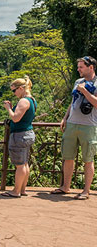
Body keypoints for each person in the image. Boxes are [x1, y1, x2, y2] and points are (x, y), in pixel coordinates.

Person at [51, 56, 97, 199]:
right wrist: (65, 118)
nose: (78, 69)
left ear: (91, 67)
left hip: (89, 126)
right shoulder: (78, 82)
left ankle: (86, 191)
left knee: (88, 159)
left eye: (81, 67)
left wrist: (85, 91)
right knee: (68, 157)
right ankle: (66, 187)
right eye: (78, 67)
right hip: (71, 124)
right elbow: (73, 102)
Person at [2, 76, 37, 198]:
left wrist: (9, 109)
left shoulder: (24, 101)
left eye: (14, 90)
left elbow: (16, 118)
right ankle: (22, 189)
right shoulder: (32, 100)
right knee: (24, 163)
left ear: (21, 88)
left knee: (20, 165)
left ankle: (16, 191)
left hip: (20, 135)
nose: (14, 93)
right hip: (27, 133)